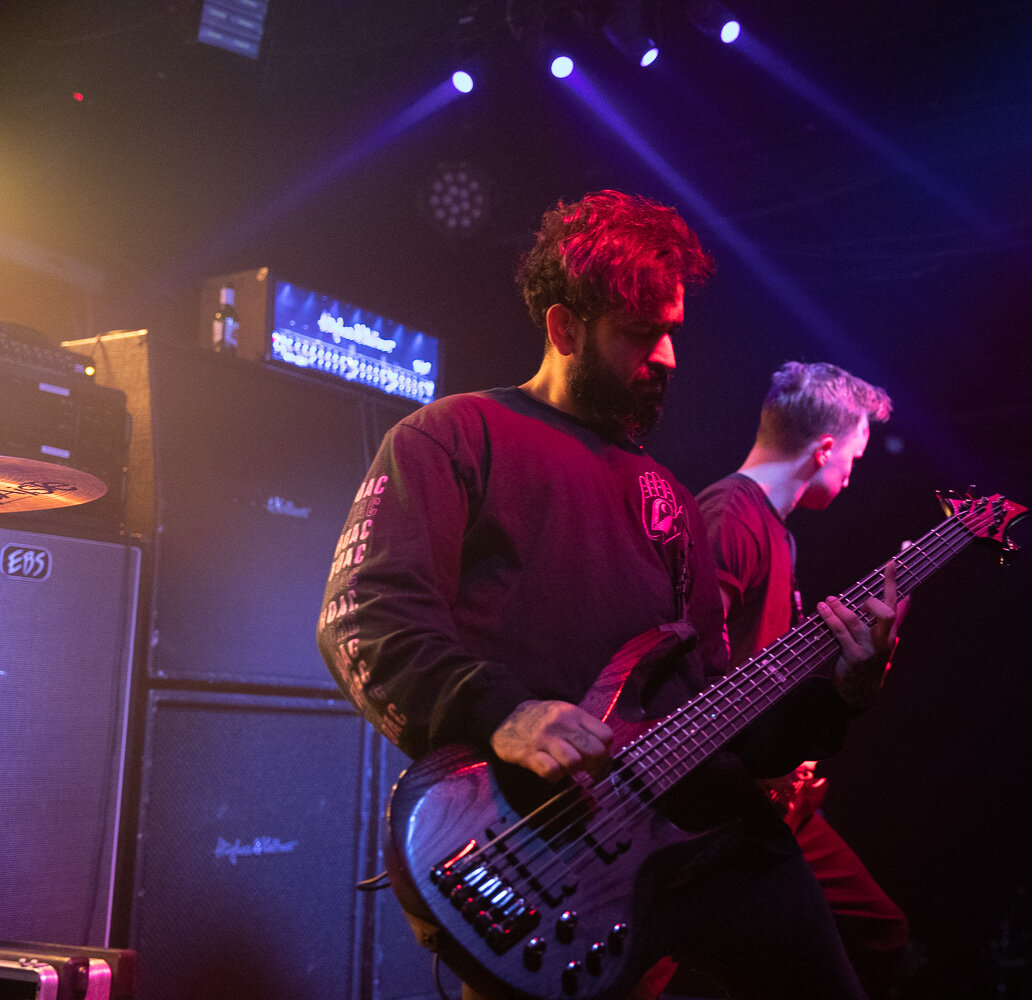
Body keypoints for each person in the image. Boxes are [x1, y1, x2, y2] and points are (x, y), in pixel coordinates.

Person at [316, 191, 900, 1000]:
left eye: (671, 331)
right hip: (540, 846)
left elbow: (717, 715)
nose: (666, 357)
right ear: (564, 329)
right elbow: (368, 618)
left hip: (706, 836)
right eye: (641, 333)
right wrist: (505, 714)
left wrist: (840, 696)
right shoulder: (452, 436)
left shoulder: (667, 495)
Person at [696, 361, 911, 998]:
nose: (852, 472)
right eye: (854, 455)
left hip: (763, 786)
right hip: (714, 803)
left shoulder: (778, 537)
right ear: (823, 449)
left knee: (879, 935)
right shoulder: (729, 519)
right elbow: (688, 676)